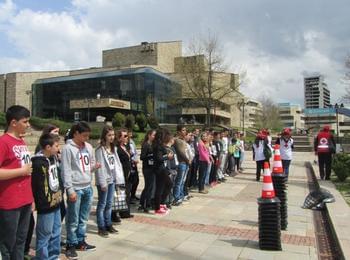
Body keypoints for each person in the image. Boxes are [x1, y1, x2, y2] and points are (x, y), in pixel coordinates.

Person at [61, 121, 100, 259]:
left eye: (88, 136)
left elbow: (90, 164)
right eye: (84, 135)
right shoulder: (68, 148)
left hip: (87, 186)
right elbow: (65, 170)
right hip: (75, 188)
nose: (86, 138)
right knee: (73, 218)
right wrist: (70, 189)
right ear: (76, 133)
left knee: (84, 217)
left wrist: (95, 166)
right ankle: (71, 244)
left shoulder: (88, 147)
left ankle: (80, 240)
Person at [0, 105, 33, 260]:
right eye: (25, 121)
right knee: (7, 244)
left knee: (20, 241)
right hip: (9, 203)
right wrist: (21, 172)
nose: (28, 125)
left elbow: (27, 171)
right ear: (14, 123)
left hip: (25, 200)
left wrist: (31, 198)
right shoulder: (3, 142)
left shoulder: (21, 141)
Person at [31, 133, 62, 260]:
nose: (58, 148)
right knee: (44, 235)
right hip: (46, 205)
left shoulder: (54, 158)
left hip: (56, 201)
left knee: (56, 232)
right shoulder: (38, 163)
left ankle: (53, 256)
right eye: (56, 145)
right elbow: (36, 186)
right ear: (48, 147)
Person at [95, 125, 122, 237]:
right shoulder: (99, 150)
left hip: (112, 179)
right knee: (102, 204)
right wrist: (102, 182)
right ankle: (101, 226)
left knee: (110, 204)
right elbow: (99, 167)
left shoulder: (113, 148)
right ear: (104, 136)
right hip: (104, 180)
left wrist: (117, 178)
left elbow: (116, 164)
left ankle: (108, 224)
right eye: (109, 135)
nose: (112, 137)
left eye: (113, 135)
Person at [153, 128, 174, 215]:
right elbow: (158, 158)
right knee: (163, 187)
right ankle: (158, 207)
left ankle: (161, 204)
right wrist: (167, 157)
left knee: (166, 185)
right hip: (159, 169)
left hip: (162, 168)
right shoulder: (157, 146)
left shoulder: (160, 145)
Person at [116, 128, 134, 219]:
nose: (127, 137)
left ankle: (125, 212)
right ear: (119, 138)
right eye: (125, 136)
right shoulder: (117, 149)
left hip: (128, 173)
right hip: (121, 174)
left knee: (127, 193)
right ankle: (120, 212)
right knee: (121, 194)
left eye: (127, 135)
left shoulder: (126, 147)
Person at [173, 125, 190, 206]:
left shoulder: (183, 140)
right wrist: (187, 160)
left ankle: (181, 195)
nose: (185, 132)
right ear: (179, 131)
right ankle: (176, 198)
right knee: (179, 182)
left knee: (183, 181)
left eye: (185, 130)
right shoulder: (177, 141)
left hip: (185, 163)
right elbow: (181, 153)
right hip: (182, 163)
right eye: (183, 130)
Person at [139, 130, 156, 213]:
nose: (154, 137)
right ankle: (145, 204)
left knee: (149, 186)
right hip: (147, 168)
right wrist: (151, 155)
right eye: (153, 135)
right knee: (148, 187)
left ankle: (143, 203)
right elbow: (142, 157)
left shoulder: (152, 144)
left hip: (152, 168)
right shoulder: (146, 144)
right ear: (149, 135)